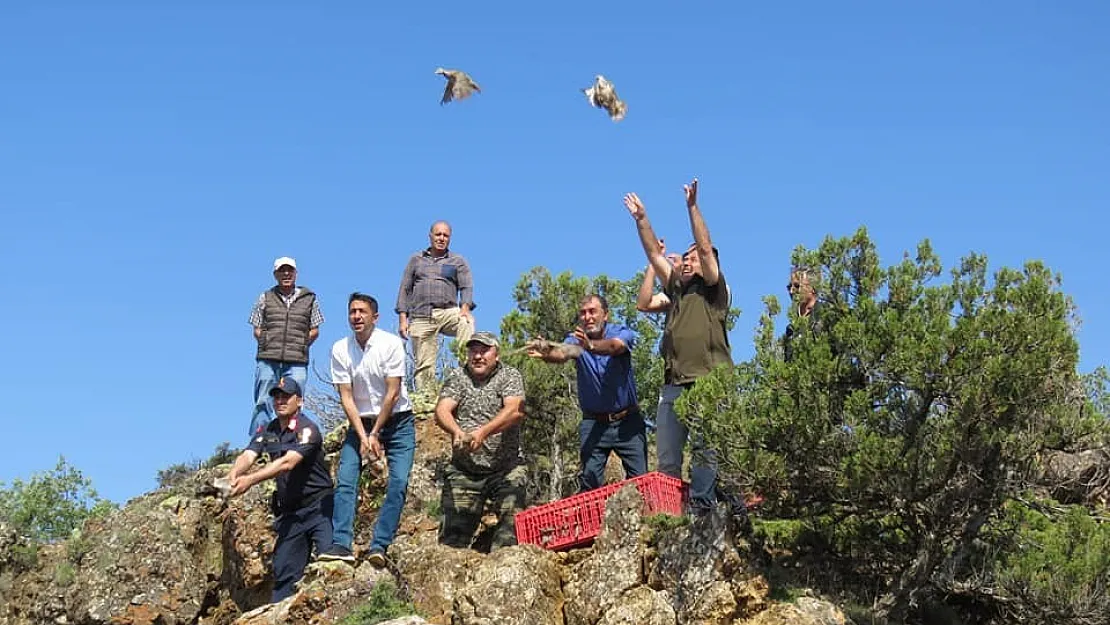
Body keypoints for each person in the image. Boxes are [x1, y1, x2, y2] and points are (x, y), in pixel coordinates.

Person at [624, 178, 733, 512]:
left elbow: (704, 247)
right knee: (668, 457)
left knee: (706, 451)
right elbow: (654, 254)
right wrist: (642, 219)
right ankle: (667, 516)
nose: (686, 262)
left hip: (708, 382)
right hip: (673, 385)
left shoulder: (714, 290)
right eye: (683, 259)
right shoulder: (678, 289)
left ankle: (703, 511)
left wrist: (692, 208)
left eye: (692, 258)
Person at [319, 293, 415, 567]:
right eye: (352, 312)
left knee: (398, 482)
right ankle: (341, 543)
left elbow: (393, 392)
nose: (356, 316)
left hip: (397, 421)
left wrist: (376, 435)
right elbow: (346, 397)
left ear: (375, 316)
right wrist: (363, 436)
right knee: (346, 478)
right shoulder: (340, 349)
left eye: (362, 311)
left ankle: (380, 544)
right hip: (360, 423)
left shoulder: (391, 344)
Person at [226, 377, 333, 603]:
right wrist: (234, 474)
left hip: (319, 508)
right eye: (277, 396)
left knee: (331, 566)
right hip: (290, 514)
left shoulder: (307, 430)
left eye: (286, 396)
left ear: (299, 401)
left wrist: (250, 480)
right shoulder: (269, 430)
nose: (280, 401)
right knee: (284, 576)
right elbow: (249, 454)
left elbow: (287, 463)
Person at [526, 295, 647, 492]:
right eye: (583, 313)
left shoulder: (621, 332)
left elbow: (615, 347)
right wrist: (546, 351)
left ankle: (644, 520)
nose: (587, 317)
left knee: (641, 481)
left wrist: (590, 346)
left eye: (592, 311)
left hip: (628, 421)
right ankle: (591, 522)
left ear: (605, 315)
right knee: (589, 483)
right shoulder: (575, 340)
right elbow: (563, 353)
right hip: (594, 424)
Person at [433, 331, 527, 551]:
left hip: (506, 468)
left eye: (484, 350)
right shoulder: (458, 376)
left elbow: (515, 410)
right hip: (465, 470)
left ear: (496, 354)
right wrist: (456, 431)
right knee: (451, 544)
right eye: (473, 350)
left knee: (511, 532)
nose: (478, 356)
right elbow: (442, 410)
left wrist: (482, 433)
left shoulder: (510, 376)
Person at [395, 221, 477, 394]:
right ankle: (427, 398)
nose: (441, 238)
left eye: (445, 235)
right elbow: (405, 288)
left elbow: (467, 286)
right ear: (430, 236)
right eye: (438, 234)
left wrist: (465, 308)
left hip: (448, 311)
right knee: (424, 365)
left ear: (450, 238)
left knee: (466, 322)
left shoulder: (457, 261)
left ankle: (465, 372)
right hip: (421, 314)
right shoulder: (416, 260)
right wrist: (403, 318)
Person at [248, 256, 325, 436]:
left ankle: (293, 438)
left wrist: (300, 346)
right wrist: (267, 343)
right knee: (263, 401)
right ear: (275, 274)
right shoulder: (265, 297)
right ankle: (260, 441)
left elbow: (315, 329)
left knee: (295, 400)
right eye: (282, 270)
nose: (286, 274)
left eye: (289, 270)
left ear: (296, 273)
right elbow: (256, 328)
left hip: (297, 361)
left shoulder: (309, 299)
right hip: (268, 359)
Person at [783, 266, 821, 363]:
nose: (791, 291)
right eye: (789, 287)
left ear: (812, 288)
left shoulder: (825, 316)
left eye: (797, 286)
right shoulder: (791, 329)